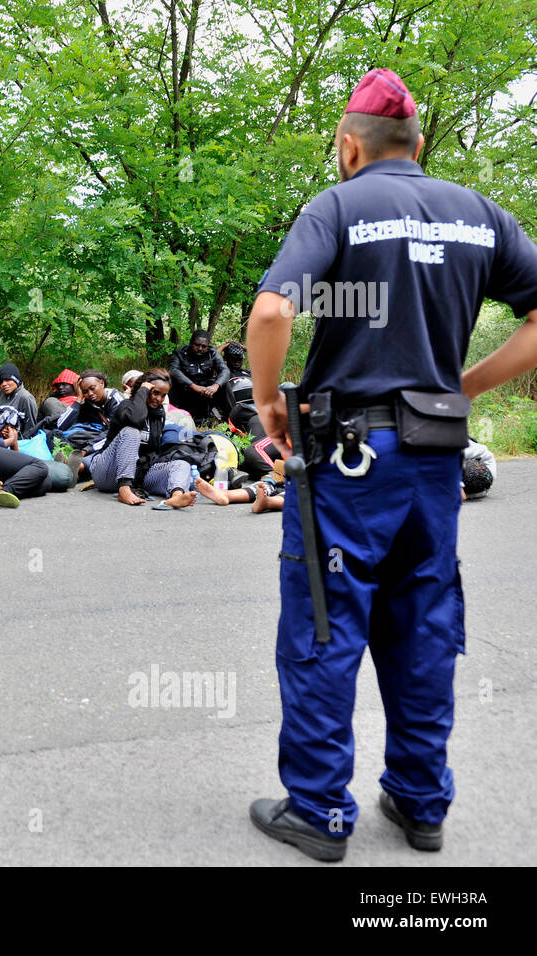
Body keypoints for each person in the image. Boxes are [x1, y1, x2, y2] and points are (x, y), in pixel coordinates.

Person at [246, 68, 537, 862]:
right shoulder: (481, 216)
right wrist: (465, 385)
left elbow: (274, 309)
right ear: (417, 143)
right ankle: (421, 803)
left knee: (325, 622)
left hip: (351, 461)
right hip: (438, 458)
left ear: (350, 146)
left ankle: (318, 811)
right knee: (423, 625)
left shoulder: (340, 206)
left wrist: (269, 402)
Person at [82, 371, 207, 508]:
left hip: (136, 474)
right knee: (131, 431)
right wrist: (143, 390)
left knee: (181, 463)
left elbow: (152, 451)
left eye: (163, 395)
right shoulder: (125, 407)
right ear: (143, 389)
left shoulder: (158, 415)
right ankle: (124, 490)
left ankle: (176, 496)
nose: (159, 399)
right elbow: (135, 419)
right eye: (155, 393)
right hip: (106, 471)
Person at [168, 330, 230, 423]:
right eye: (197, 345)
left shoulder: (212, 353)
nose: (200, 348)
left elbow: (225, 370)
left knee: (225, 384)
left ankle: (230, 419)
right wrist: (193, 386)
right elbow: (173, 370)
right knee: (170, 381)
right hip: (186, 391)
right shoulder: (180, 353)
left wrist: (215, 386)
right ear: (190, 343)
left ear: (208, 346)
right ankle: (169, 415)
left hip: (207, 392)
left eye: (204, 346)